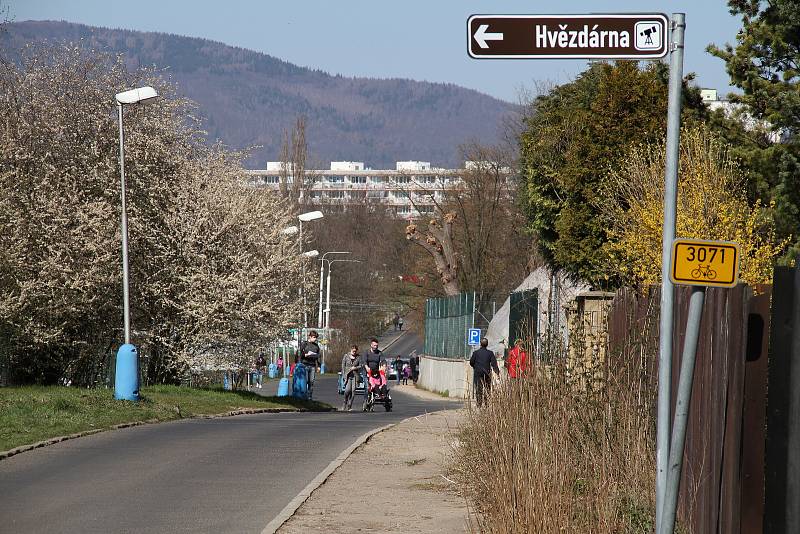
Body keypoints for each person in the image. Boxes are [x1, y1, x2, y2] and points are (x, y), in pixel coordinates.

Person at [470, 338, 500, 407]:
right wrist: (497, 372)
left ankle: (479, 403)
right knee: (487, 388)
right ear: (487, 344)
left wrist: (475, 367)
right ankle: (487, 403)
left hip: (478, 372)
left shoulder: (476, 353)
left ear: (480, 344)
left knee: (479, 388)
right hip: (487, 372)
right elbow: (494, 364)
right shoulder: (490, 353)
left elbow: (471, 362)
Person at [298, 330, 321, 399]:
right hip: (304, 364)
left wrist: (319, 366)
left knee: (311, 381)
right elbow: (299, 353)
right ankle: (303, 395)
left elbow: (318, 356)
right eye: (314, 337)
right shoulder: (304, 344)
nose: (315, 339)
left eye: (316, 337)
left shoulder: (316, 346)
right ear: (310, 337)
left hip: (312, 365)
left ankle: (309, 396)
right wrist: (305, 355)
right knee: (305, 380)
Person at [341, 345, 363, 411]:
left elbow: (361, 365)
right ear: (351, 350)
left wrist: (355, 368)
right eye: (353, 351)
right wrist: (344, 374)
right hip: (348, 376)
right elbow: (343, 365)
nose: (354, 352)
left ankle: (349, 405)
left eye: (355, 351)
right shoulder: (346, 356)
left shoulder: (358, 357)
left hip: (355, 376)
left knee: (353, 391)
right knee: (347, 390)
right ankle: (345, 402)